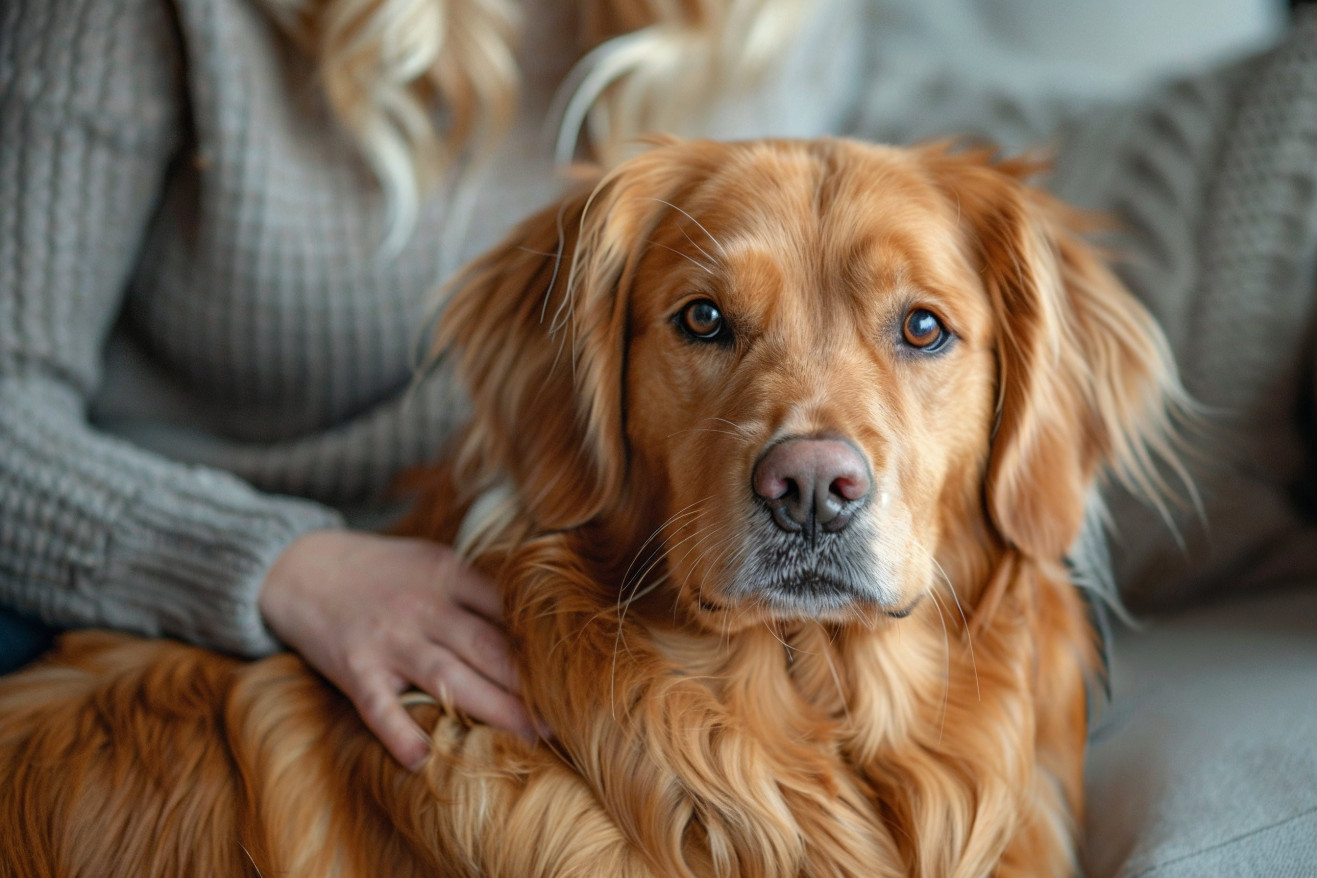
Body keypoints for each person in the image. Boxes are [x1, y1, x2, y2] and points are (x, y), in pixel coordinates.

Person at [0, 0, 1291, 774]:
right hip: (127, 570)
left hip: (482, 548)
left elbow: (836, 248)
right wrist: (284, 567)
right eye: (700, 321)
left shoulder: (767, 18)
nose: (816, 469)